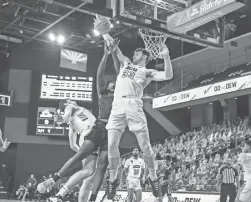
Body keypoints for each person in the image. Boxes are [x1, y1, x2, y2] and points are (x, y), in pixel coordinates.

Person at [37, 42, 120, 202]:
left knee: (91, 172)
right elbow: (100, 74)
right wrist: (106, 55)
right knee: (87, 161)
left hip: (108, 131)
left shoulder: (118, 94)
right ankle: (54, 179)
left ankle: (62, 195)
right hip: (96, 130)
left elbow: (72, 144)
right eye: (111, 83)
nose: (113, 83)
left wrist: (114, 54)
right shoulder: (77, 104)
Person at [102, 34, 173, 199]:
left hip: (134, 105)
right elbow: (115, 47)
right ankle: (113, 179)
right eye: (134, 53)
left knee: (145, 146)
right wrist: (105, 32)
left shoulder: (147, 71)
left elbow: (168, 76)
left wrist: (167, 57)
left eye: (137, 53)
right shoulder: (126, 63)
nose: (134, 55)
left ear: (145, 56)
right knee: (111, 144)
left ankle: (153, 177)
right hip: (117, 105)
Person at [48, 100, 97, 202]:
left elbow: (72, 145)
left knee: (88, 175)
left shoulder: (72, 122)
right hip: (92, 134)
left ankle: (60, 194)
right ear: (66, 103)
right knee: (91, 174)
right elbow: (65, 117)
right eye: (70, 100)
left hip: (85, 139)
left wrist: (83, 152)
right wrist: (60, 118)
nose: (73, 100)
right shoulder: (70, 106)